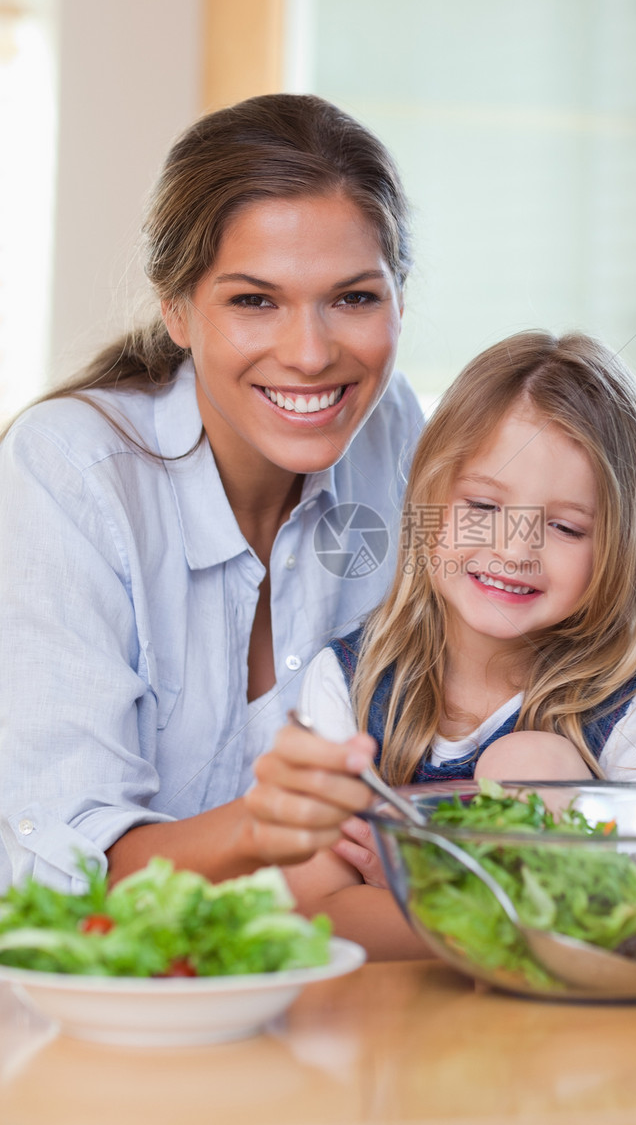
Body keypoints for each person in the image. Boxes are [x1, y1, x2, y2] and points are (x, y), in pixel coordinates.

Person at [0, 93, 425, 893]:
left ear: (401, 299)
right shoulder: (68, 472)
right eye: (254, 300)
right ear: (177, 310)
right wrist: (266, 829)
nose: (311, 352)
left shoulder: (396, 432)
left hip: (332, 985)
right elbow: (63, 868)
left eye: (354, 297)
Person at [285, 330, 636, 958]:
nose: (515, 549)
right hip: (397, 1034)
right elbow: (320, 911)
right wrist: (513, 921)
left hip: (568, 1032)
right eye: (484, 506)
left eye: (566, 527)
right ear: (430, 500)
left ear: (620, 546)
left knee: (527, 766)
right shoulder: (348, 683)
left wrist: (431, 885)